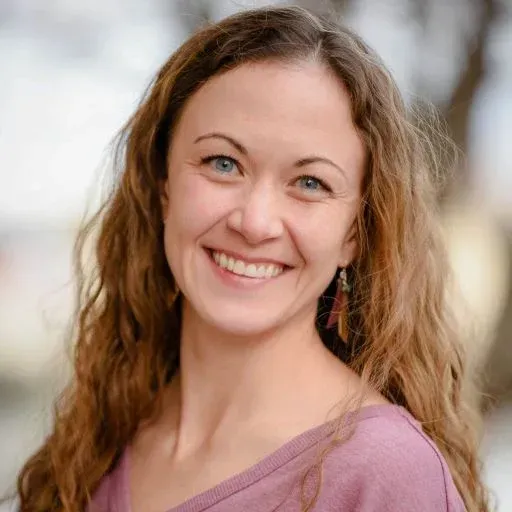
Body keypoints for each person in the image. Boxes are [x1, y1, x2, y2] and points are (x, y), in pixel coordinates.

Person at [13, 5, 490, 512]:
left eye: (310, 183)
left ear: (355, 233)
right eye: (223, 163)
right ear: (163, 187)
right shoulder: (101, 439)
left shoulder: (387, 475)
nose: (255, 222)